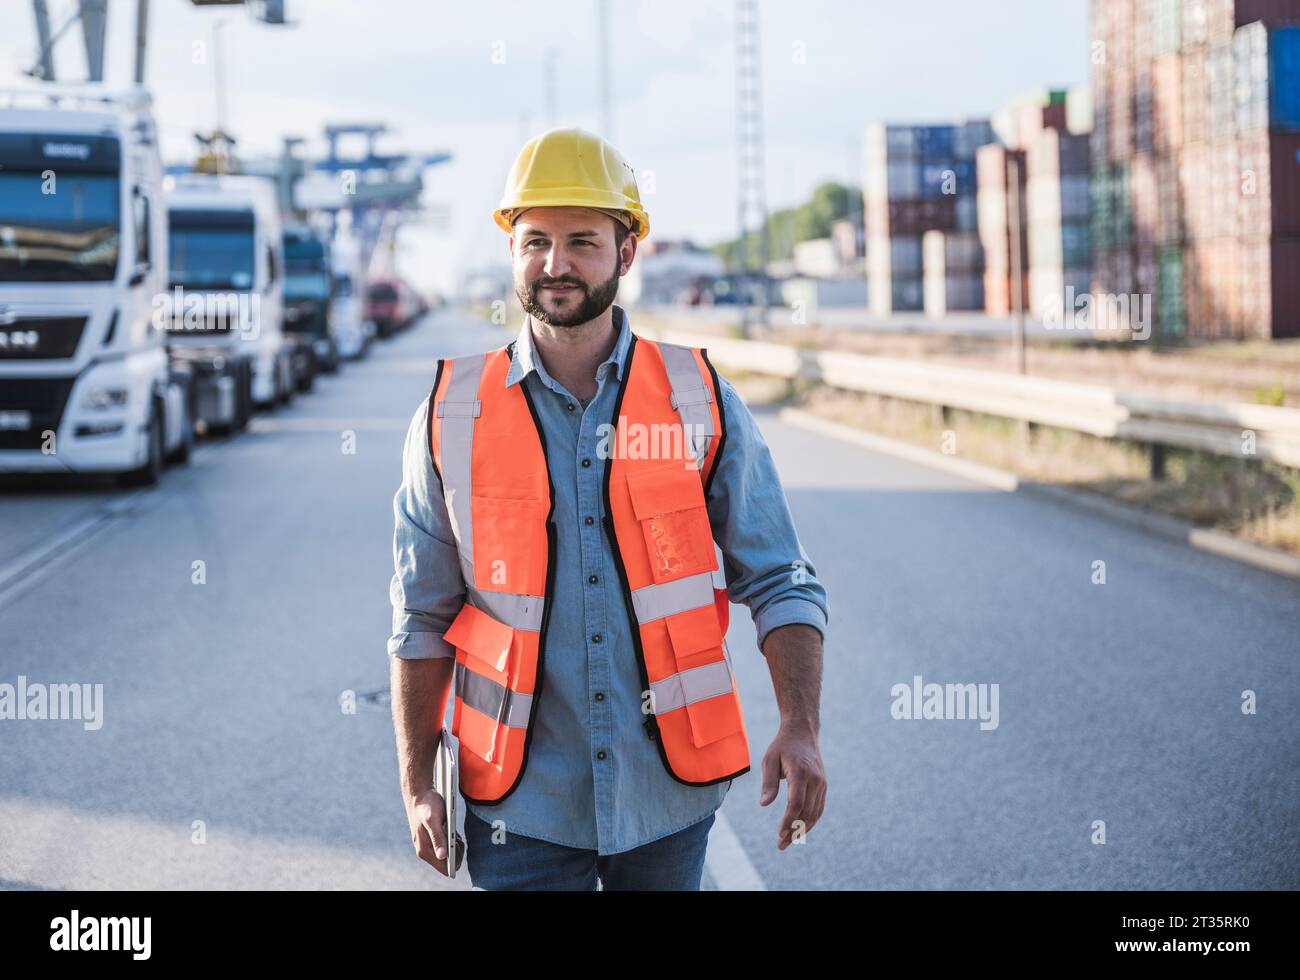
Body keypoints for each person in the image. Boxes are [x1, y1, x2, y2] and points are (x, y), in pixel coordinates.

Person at [388, 128, 829, 891]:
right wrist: (416, 781)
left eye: (583, 242)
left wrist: (801, 728)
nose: (556, 265)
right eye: (536, 242)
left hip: (667, 795)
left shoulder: (696, 395)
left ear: (627, 253)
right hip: (517, 805)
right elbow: (421, 617)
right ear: (512, 250)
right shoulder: (452, 412)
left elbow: (781, 577)